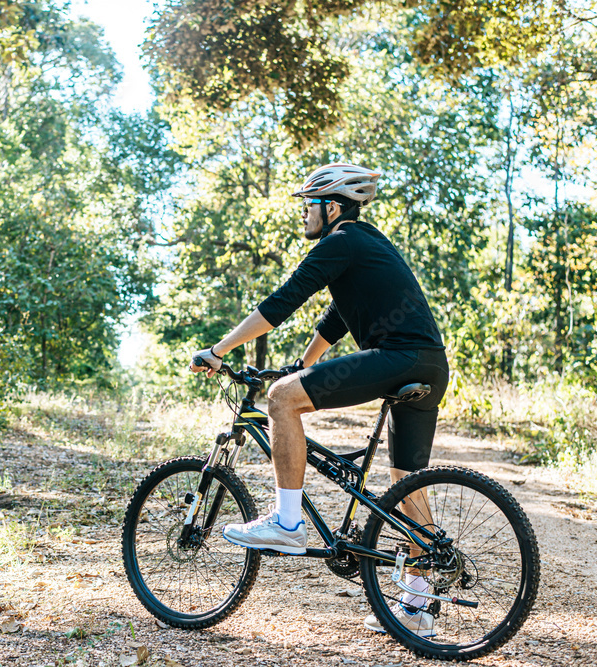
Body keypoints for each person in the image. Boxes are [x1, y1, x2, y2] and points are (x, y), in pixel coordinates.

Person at [188, 163, 450, 637]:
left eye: (309, 205)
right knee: (405, 485)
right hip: (430, 363)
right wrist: (301, 366)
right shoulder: (368, 244)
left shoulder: (341, 241)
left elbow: (282, 302)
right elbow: (337, 318)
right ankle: (417, 606)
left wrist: (218, 350)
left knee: (281, 400)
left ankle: (288, 522)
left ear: (331, 207)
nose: (304, 215)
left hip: (397, 357)